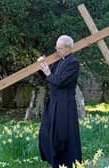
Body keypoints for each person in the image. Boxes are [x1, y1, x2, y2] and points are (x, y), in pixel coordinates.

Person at [38, 35, 82, 168]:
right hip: (54, 103)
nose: (57, 50)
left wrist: (47, 73)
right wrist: (42, 67)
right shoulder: (59, 61)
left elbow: (59, 81)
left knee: (63, 136)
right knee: (46, 132)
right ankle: (54, 161)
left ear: (68, 48)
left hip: (65, 106)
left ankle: (67, 164)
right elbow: (49, 77)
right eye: (56, 47)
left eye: (59, 48)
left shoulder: (73, 63)